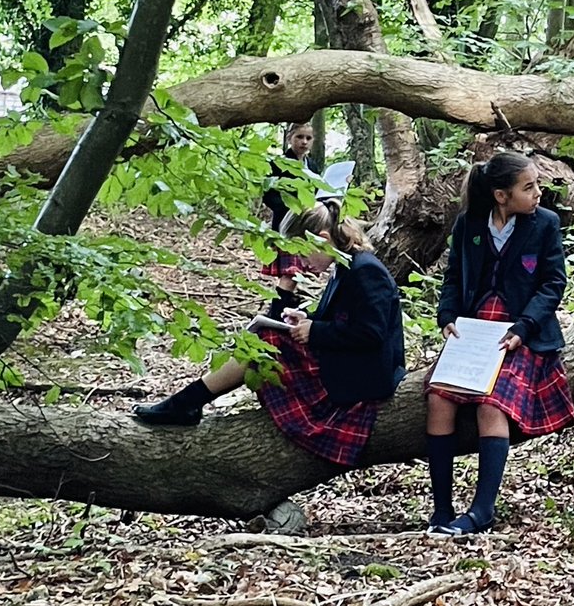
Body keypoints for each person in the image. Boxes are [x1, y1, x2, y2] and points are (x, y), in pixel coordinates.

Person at [133, 200, 406, 468]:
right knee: (266, 337)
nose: (300, 263)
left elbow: (372, 334)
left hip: (366, 380)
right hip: (349, 366)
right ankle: (186, 402)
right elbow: (345, 320)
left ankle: (185, 403)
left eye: (301, 254)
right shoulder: (346, 268)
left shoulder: (365, 270)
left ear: (322, 238)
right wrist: (307, 319)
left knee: (266, 343)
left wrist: (316, 330)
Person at [425, 152, 574, 535]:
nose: (539, 193)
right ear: (500, 195)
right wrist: (447, 318)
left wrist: (523, 328)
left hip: (521, 334)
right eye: (529, 187)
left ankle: (481, 511)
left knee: (491, 405)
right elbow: (454, 277)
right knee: (438, 399)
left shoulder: (545, 224)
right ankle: (441, 511)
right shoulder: (469, 225)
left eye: (537, 184)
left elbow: (553, 284)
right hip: (472, 332)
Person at [261, 122, 319, 312]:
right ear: (290, 138)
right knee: (290, 273)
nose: (304, 142)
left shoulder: (313, 166)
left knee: (296, 273)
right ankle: (275, 313)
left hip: (307, 227)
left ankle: (281, 311)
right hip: (286, 227)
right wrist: (292, 208)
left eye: (308, 138)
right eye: (299, 137)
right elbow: (269, 195)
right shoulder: (278, 164)